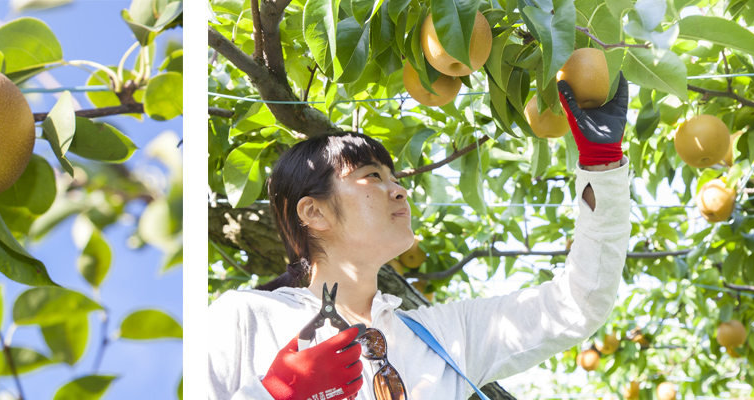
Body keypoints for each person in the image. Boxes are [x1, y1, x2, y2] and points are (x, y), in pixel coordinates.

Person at [205, 77, 637, 400]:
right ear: (313, 212)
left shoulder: (444, 337)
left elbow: (577, 303)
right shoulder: (247, 319)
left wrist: (602, 165)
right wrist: (273, 394)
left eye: (395, 178)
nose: (399, 189)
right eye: (371, 176)